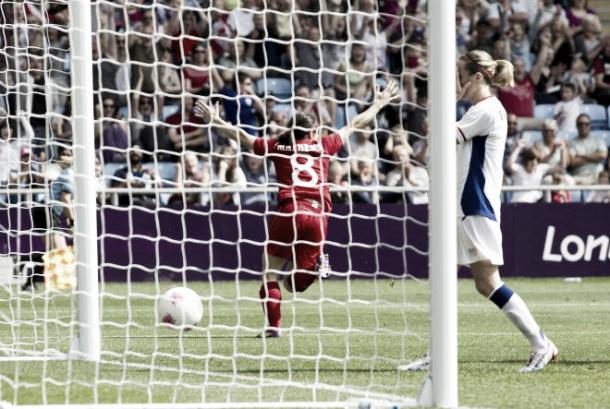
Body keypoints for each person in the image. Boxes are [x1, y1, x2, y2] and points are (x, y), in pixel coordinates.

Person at [194, 81, 400, 338]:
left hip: (288, 211)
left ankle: (273, 328)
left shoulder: (278, 146)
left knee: (270, 273)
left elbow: (244, 138)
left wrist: (215, 120)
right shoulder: (323, 145)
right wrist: (379, 103)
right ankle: (313, 268)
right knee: (294, 285)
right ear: (313, 131)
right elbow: (355, 124)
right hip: (317, 215)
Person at [455, 50, 558, 372]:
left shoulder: (485, 110)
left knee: (487, 282)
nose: (456, 82)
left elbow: (444, 140)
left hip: (476, 203)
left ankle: (542, 344)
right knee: (467, 279)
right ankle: (437, 352)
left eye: (460, 75)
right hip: (465, 204)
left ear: (476, 77)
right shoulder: (481, 110)